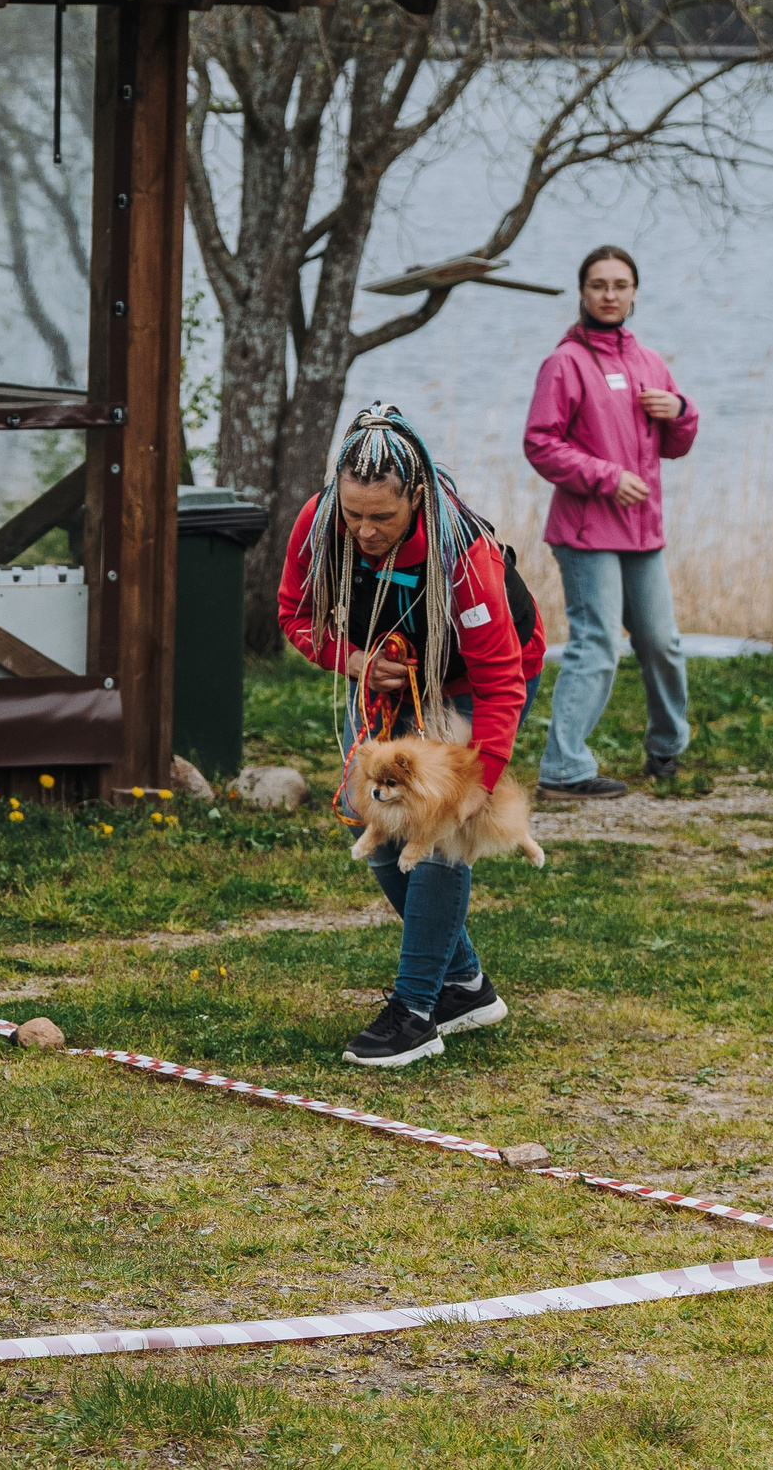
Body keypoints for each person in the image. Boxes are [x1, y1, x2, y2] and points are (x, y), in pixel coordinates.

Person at [277, 405, 548, 1068]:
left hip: (476, 682)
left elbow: (500, 681)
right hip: (388, 677)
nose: (365, 531)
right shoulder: (320, 520)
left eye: (383, 517)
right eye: (354, 514)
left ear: (418, 496)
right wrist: (354, 662)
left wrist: (478, 781)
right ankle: (465, 986)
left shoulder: (465, 557)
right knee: (375, 828)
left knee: (438, 835)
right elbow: (295, 614)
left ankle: (417, 1013)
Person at [523, 245, 699, 797]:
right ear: (582, 292)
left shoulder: (649, 362)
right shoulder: (565, 363)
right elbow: (540, 443)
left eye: (620, 285)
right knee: (597, 645)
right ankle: (563, 769)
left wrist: (682, 412)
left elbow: (673, 446)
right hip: (586, 533)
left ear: (634, 292)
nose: (609, 294)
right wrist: (606, 477)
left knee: (662, 643)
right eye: (598, 285)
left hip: (642, 531)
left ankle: (666, 748)